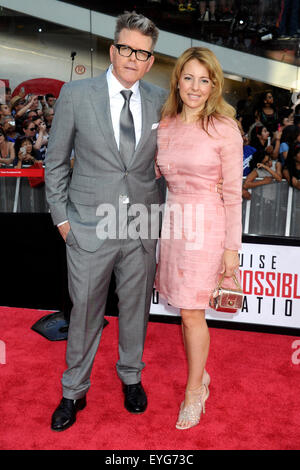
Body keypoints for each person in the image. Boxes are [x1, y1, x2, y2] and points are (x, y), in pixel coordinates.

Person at [45, 11, 168, 432]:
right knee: (83, 313)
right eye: (128, 49)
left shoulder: (160, 100)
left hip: (139, 227)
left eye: (144, 53)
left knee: (135, 311)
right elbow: (56, 162)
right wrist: (63, 220)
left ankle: (131, 377)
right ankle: (73, 390)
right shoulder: (76, 94)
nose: (134, 58)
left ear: (151, 61)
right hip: (87, 228)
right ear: (114, 50)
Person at [154, 47, 243, 430]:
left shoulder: (224, 128)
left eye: (203, 80)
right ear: (178, 80)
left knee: (192, 312)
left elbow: (234, 194)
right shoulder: (167, 123)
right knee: (184, 308)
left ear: (214, 85)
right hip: (173, 224)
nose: (195, 86)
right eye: (188, 77)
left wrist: (231, 251)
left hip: (207, 225)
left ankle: (195, 391)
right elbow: (155, 173)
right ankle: (200, 377)